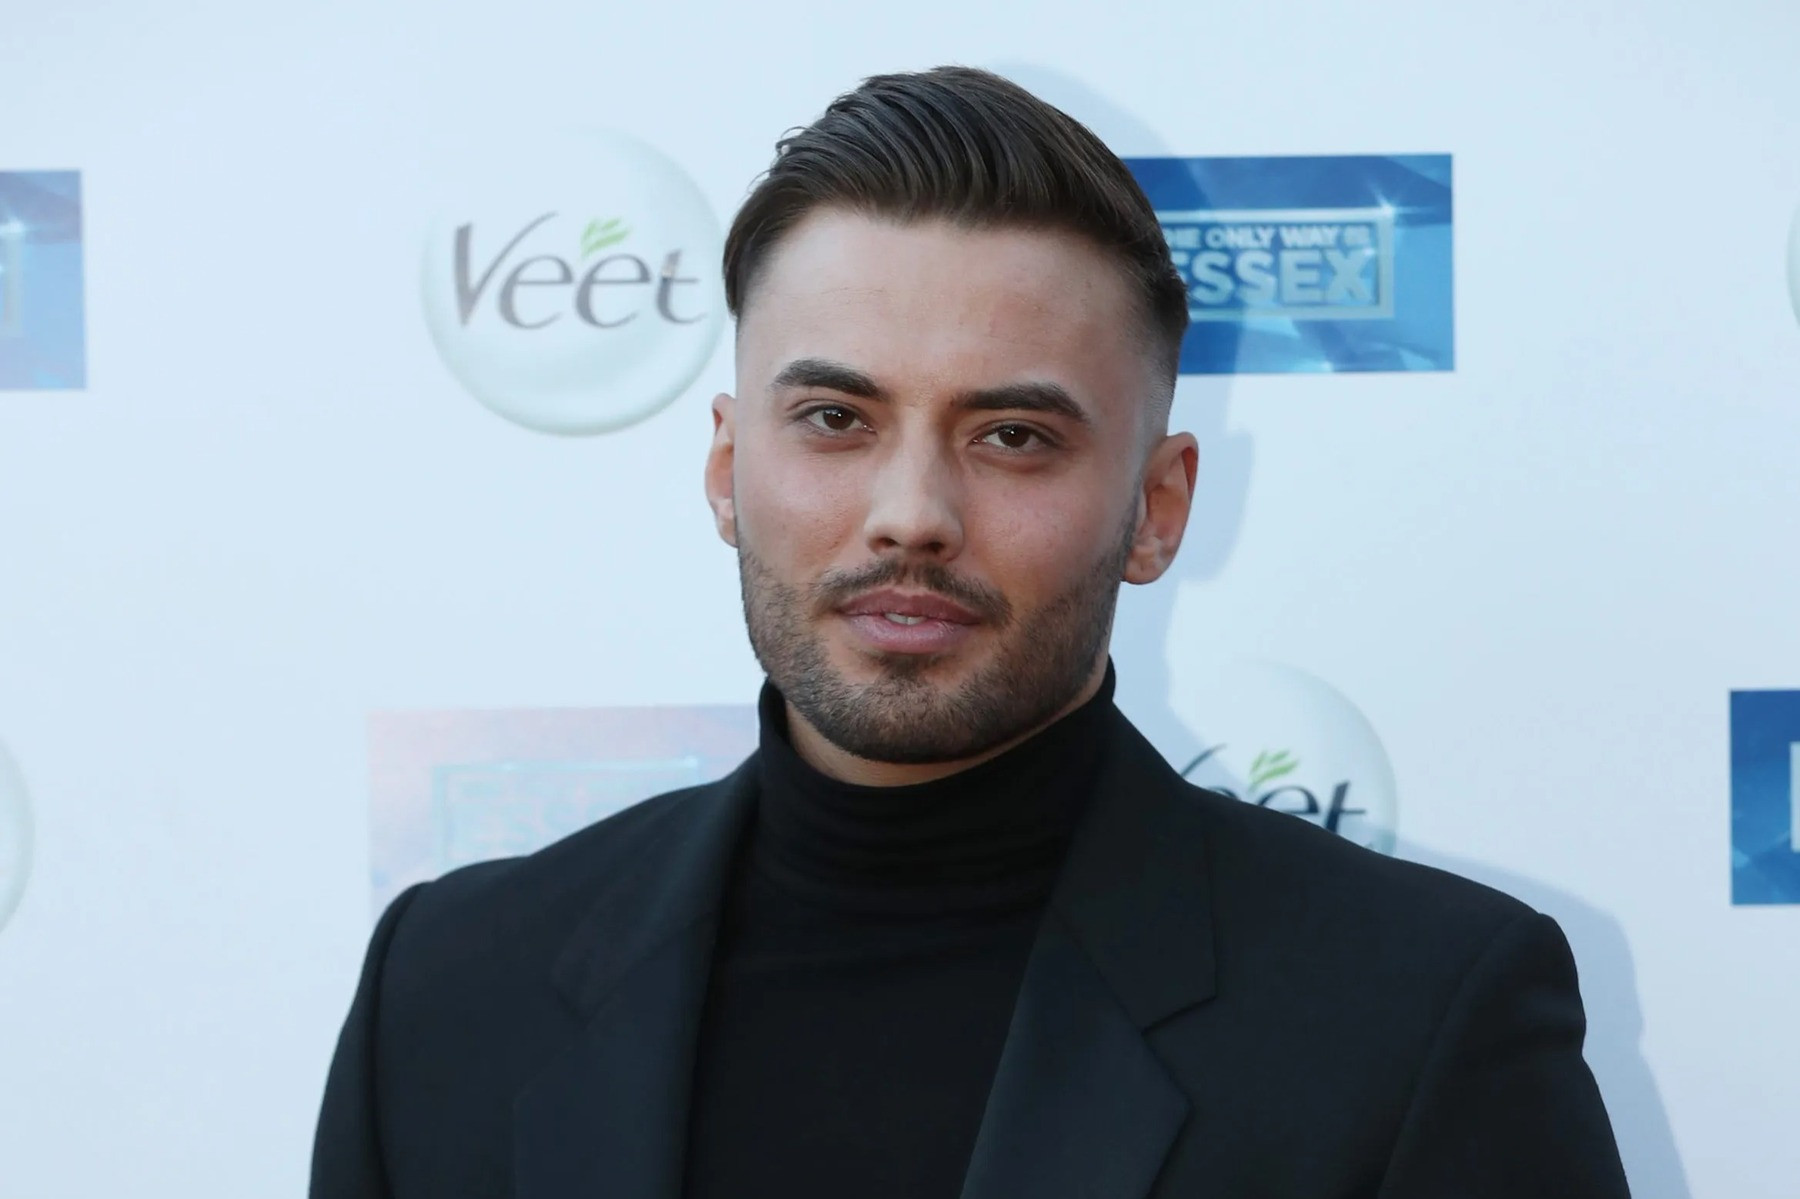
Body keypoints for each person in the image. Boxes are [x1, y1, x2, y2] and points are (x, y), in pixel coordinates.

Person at [311, 67, 1631, 1199]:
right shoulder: (447, 992)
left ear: (1158, 508)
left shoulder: (1418, 1014)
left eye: (1012, 436)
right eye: (836, 420)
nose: (913, 515)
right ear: (726, 469)